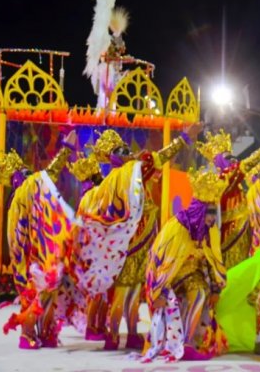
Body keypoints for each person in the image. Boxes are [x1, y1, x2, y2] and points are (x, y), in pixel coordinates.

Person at [69, 125, 200, 347]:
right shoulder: (123, 175)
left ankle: (131, 333)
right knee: (123, 290)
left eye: (125, 149)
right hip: (128, 242)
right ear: (111, 159)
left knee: (135, 289)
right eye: (119, 151)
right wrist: (183, 138)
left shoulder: (130, 174)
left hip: (144, 236)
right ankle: (112, 335)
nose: (126, 153)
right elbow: (157, 159)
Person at [0, 132, 78, 349]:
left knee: (40, 293)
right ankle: (28, 335)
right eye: (25, 172)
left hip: (29, 258)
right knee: (38, 294)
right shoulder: (28, 188)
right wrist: (66, 150)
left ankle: (45, 333)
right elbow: (49, 175)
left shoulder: (14, 200)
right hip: (34, 258)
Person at [142, 168, 228, 362]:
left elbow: (213, 259)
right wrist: (158, 293)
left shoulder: (210, 229)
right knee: (175, 302)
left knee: (200, 295)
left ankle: (187, 344)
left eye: (215, 213)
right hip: (169, 279)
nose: (213, 218)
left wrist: (216, 287)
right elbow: (161, 263)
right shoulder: (177, 228)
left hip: (193, 275)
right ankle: (172, 342)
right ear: (199, 211)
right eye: (210, 213)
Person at [196, 126, 260, 270]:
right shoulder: (222, 181)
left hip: (247, 235)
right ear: (219, 163)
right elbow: (245, 165)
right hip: (229, 241)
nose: (232, 159)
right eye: (227, 157)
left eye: (233, 156)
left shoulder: (238, 184)